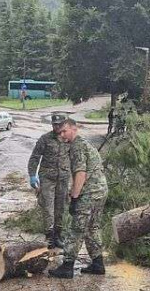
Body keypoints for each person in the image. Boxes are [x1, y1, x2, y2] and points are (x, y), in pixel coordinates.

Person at [50, 119, 108, 279]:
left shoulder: (77, 146)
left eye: (64, 131)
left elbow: (81, 174)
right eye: (60, 132)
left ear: (74, 129)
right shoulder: (85, 144)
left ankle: (67, 267)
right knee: (92, 228)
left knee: (76, 228)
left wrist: (74, 198)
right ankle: (98, 264)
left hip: (89, 194)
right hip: (100, 191)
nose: (62, 135)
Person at [27, 113, 72, 249]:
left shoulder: (69, 139)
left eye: (59, 124)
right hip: (47, 179)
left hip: (63, 179)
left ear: (64, 124)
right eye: (54, 124)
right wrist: (32, 175)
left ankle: (58, 235)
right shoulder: (45, 139)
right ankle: (49, 237)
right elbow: (35, 157)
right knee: (48, 207)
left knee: (61, 208)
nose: (57, 127)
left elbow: (76, 159)